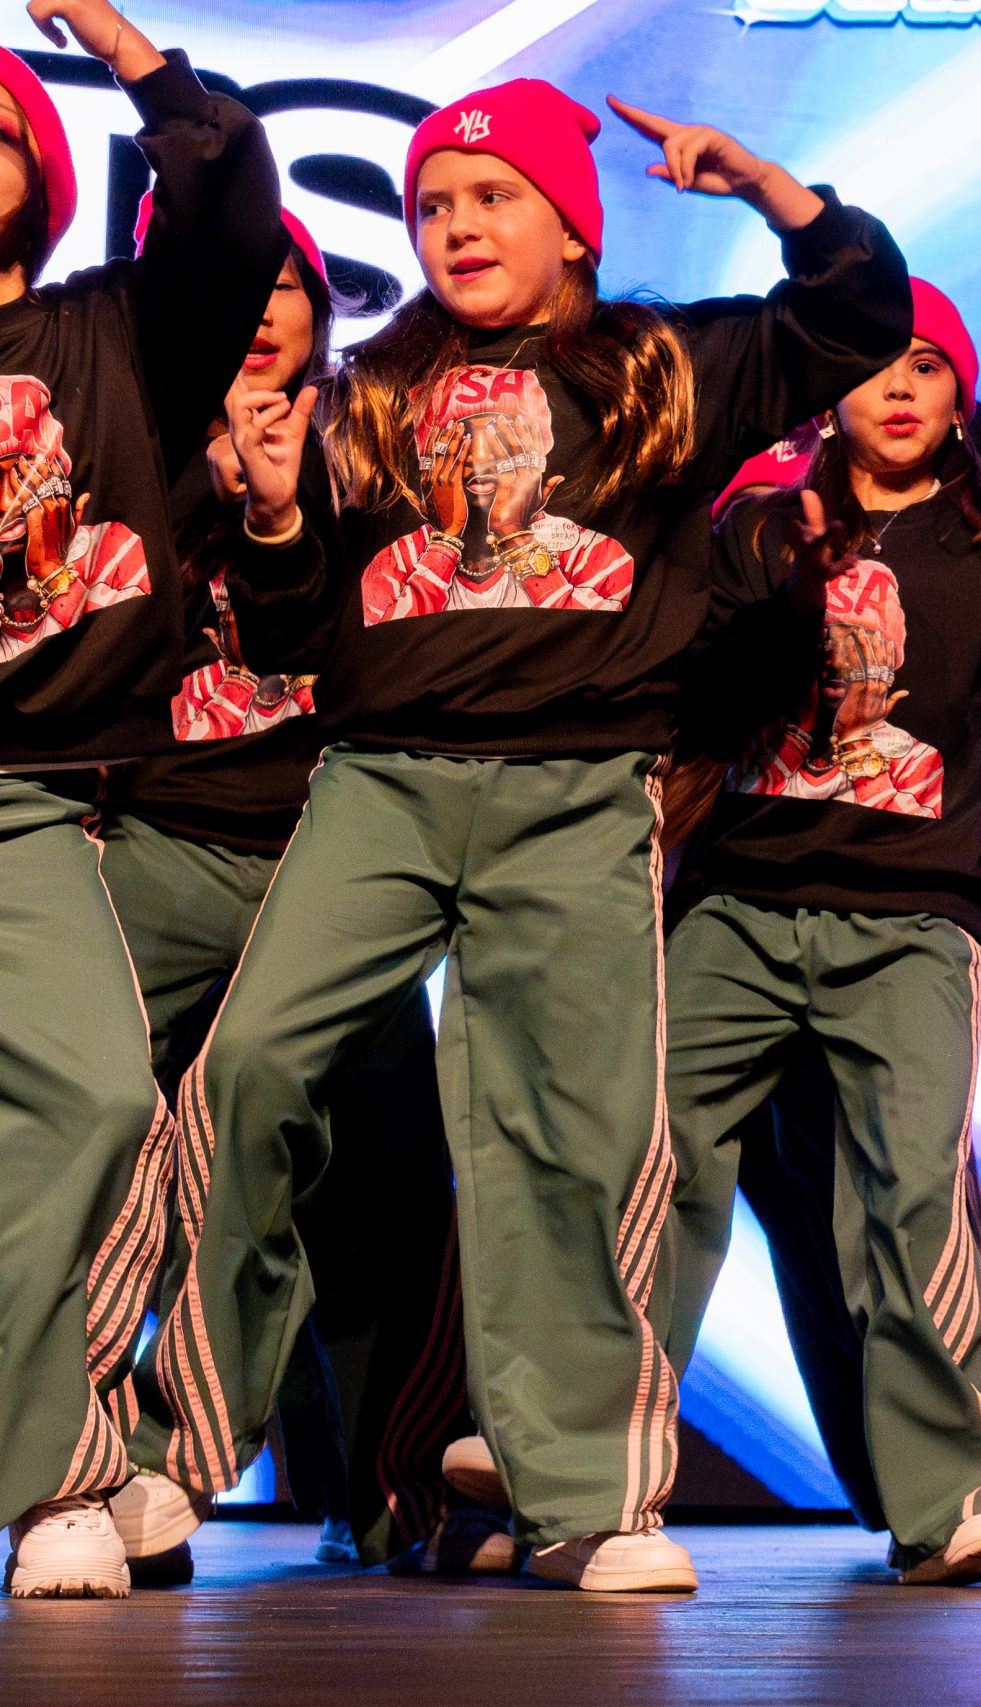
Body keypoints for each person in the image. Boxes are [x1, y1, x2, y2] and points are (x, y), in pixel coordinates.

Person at [125, 73, 913, 1594]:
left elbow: (857, 315)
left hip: (576, 790)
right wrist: (281, 522)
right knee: (255, 1067)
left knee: (573, 1130)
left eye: (494, 197)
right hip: (382, 785)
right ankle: (170, 1453)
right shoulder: (366, 394)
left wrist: (769, 190)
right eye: (432, 204)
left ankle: (587, 1497)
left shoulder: (665, 368)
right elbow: (292, 635)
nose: (457, 225)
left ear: (573, 224)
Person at [659, 276, 981, 1585]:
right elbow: (685, 687)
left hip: (907, 915)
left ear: (961, 401)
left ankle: (951, 1497)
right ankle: (584, 1473)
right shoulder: (759, 522)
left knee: (909, 1199)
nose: (900, 386)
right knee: (648, 1167)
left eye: (928, 367)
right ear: (826, 389)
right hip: (735, 903)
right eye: (875, 364)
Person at [91, 203, 472, 1581]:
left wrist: (283, 507)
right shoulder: (108, 431)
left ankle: (405, 1492)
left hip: (332, 854)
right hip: (148, 847)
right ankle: (87, 1477)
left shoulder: (376, 442)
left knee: (383, 1191)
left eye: (285, 283)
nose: (259, 309)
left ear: (321, 303)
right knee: (87, 1157)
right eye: (226, 280)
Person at [0, 3, 285, 1600]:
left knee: (102, 1100)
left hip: (30, 797)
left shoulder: (113, 331)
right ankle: (55, 1466)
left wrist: (123, 47)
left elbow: (233, 206)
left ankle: (47, 1465)